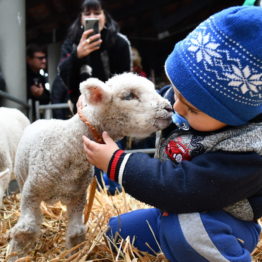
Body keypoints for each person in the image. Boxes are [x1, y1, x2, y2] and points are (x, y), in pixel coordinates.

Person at [82, 6, 262, 262]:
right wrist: (98, 109)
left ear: (234, 115)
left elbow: (183, 187)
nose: (175, 107)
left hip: (221, 223)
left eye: (191, 108)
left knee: (189, 232)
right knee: (118, 231)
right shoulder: (194, 105)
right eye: (177, 92)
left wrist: (117, 163)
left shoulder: (248, 151)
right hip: (177, 211)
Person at [58, 0, 131, 112]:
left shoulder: (119, 42)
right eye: (87, 14)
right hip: (82, 107)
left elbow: (125, 79)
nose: (92, 17)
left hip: (113, 108)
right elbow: (63, 75)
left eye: (97, 13)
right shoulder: (71, 43)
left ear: (105, 16)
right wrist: (76, 55)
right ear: (81, 19)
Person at [26, 43, 50, 120]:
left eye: (45, 58)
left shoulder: (40, 77)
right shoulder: (22, 75)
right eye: (40, 58)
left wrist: (40, 95)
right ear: (29, 59)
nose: (44, 61)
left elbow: (48, 97)